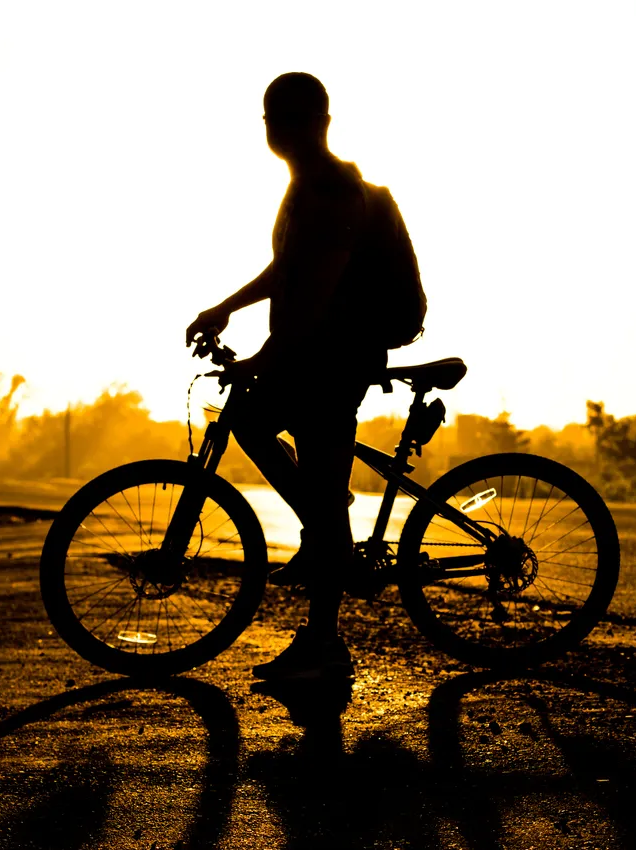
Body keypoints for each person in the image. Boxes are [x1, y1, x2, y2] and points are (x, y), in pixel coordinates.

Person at [186, 72, 417, 681]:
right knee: (259, 426)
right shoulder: (300, 186)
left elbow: (315, 293)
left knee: (283, 443)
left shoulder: (335, 189)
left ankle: (324, 640)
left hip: (338, 357)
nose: (280, 131)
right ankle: (324, 517)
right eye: (273, 121)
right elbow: (287, 269)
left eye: (290, 120)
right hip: (317, 351)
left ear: (319, 124)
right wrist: (226, 307)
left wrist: (266, 354)